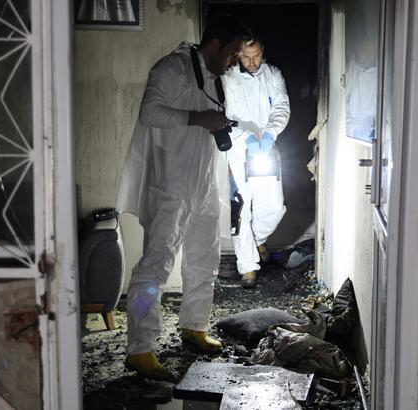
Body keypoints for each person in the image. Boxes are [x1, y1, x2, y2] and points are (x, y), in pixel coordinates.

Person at [116, 15, 250, 380]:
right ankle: (140, 348)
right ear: (214, 44)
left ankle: (194, 327)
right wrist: (198, 118)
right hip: (170, 185)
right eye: (232, 53)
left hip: (205, 183)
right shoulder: (171, 68)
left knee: (204, 259)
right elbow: (149, 112)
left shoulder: (216, 78)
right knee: (155, 266)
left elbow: (208, 120)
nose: (234, 62)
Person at [223, 37, 290, 288]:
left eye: (256, 56)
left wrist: (270, 133)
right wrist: (247, 137)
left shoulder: (272, 74)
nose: (252, 62)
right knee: (242, 210)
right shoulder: (228, 78)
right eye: (246, 57)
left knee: (273, 207)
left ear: (263, 51)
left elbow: (282, 106)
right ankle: (248, 266)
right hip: (238, 149)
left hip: (266, 147)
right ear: (238, 54)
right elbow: (227, 114)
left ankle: (257, 239)